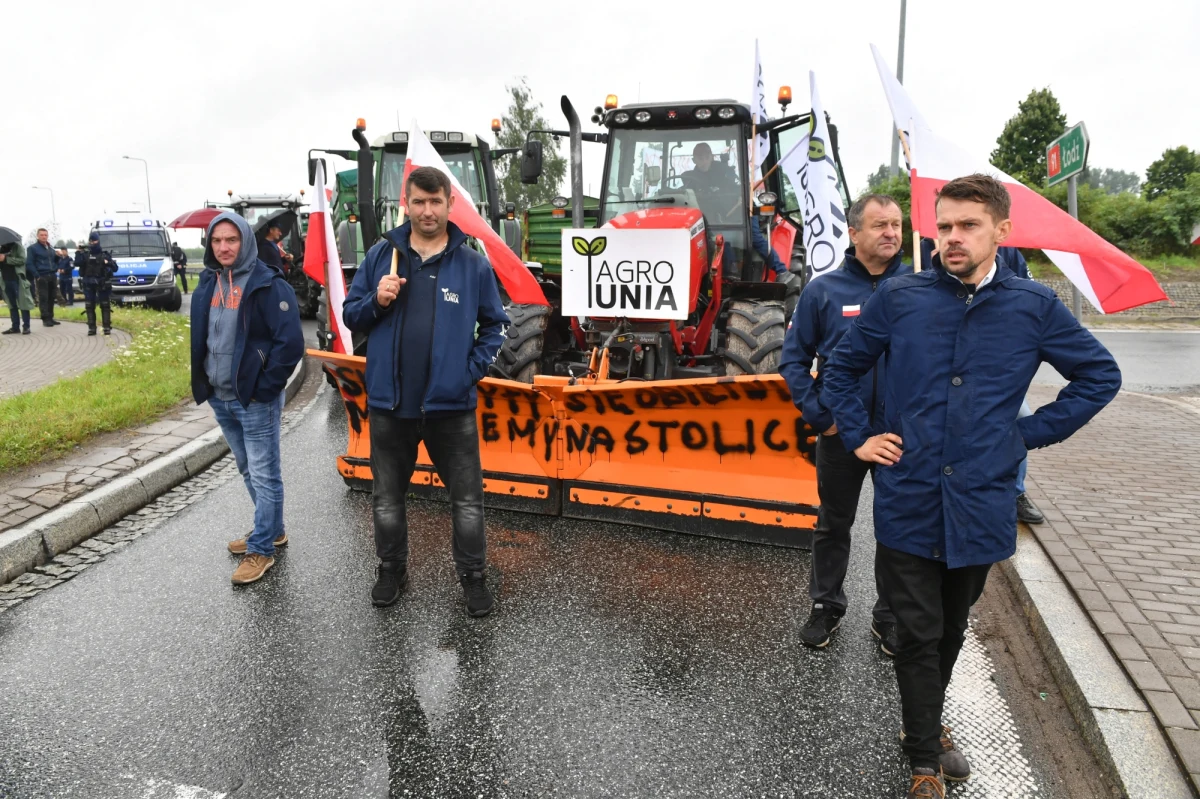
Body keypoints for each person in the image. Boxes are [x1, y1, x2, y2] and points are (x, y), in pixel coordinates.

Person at [821, 174, 1120, 798]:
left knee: (953, 628)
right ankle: (925, 756)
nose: (952, 239)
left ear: (1001, 232)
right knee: (917, 628)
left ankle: (924, 724)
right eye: (943, 227)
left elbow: (1099, 375)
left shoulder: (1034, 308)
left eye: (968, 226)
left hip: (981, 500)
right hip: (907, 492)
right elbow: (842, 369)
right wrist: (858, 436)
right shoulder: (901, 298)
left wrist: (1026, 435)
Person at [342, 166, 509, 617]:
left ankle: (473, 578)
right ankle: (392, 569)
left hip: (449, 408)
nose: (428, 210)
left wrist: (467, 372)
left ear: (450, 205)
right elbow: (351, 316)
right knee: (387, 498)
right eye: (419, 201)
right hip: (390, 405)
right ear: (407, 204)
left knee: (468, 501)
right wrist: (375, 300)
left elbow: (496, 326)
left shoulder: (471, 264)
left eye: (436, 202)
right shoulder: (382, 257)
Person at [780, 194, 911, 656]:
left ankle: (890, 615)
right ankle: (826, 606)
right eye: (879, 225)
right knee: (834, 521)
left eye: (896, 224)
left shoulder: (919, 288)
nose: (891, 233)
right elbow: (793, 361)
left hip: (899, 435)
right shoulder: (823, 291)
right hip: (842, 433)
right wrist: (824, 419)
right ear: (854, 233)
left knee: (896, 526)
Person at [190, 212, 304, 585]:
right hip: (220, 397)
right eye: (217, 240)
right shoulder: (208, 283)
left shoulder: (269, 285)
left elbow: (290, 346)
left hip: (254, 400)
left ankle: (261, 549)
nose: (223, 247)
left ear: (246, 242)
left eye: (231, 240)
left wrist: (264, 389)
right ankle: (272, 529)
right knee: (245, 468)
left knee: (265, 474)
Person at [922, 240, 1045, 525]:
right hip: (945, 363)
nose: (955, 233)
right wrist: (932, 267)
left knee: (1018, 421)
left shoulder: (1011, 251)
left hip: (994, 366)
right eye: (946, 224)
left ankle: (1015, 493)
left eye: (969, 224)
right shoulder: (928, 245)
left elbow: (1021, 293)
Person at [77, 233, 118, 336]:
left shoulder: (105, 254)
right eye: (90, 241)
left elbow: (115, 268)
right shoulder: (85, 254)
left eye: (94, 241)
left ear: (98, 241)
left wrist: (107, 263)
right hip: (88, 284)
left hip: (102, 283)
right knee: (89, 306)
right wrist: (78, 251)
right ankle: (91, 328)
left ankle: (107, 328)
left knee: (105, 305)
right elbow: (77, 263)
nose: (92, 243)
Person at [1, 241, 34, 335]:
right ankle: (15, 327)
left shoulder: (18, 247)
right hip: (5, 280)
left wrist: (6, 258)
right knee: (12, 305)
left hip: (17, 280)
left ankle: (26, 327)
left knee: (23, 303)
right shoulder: (1, 248)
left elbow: (22, 260)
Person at [27, 229, 59, 326]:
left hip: (52, 275)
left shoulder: (50, 247)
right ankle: (45, 319)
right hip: (42, 275)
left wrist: (57, 257)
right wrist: (37, 275)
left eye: (45, 235)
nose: (44, 237)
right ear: (38, 236)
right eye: (42, 235)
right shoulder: (32, 248)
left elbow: (54, 261)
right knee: (43, 298)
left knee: (52, 297)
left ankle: (50, 317)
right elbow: (29, 263)